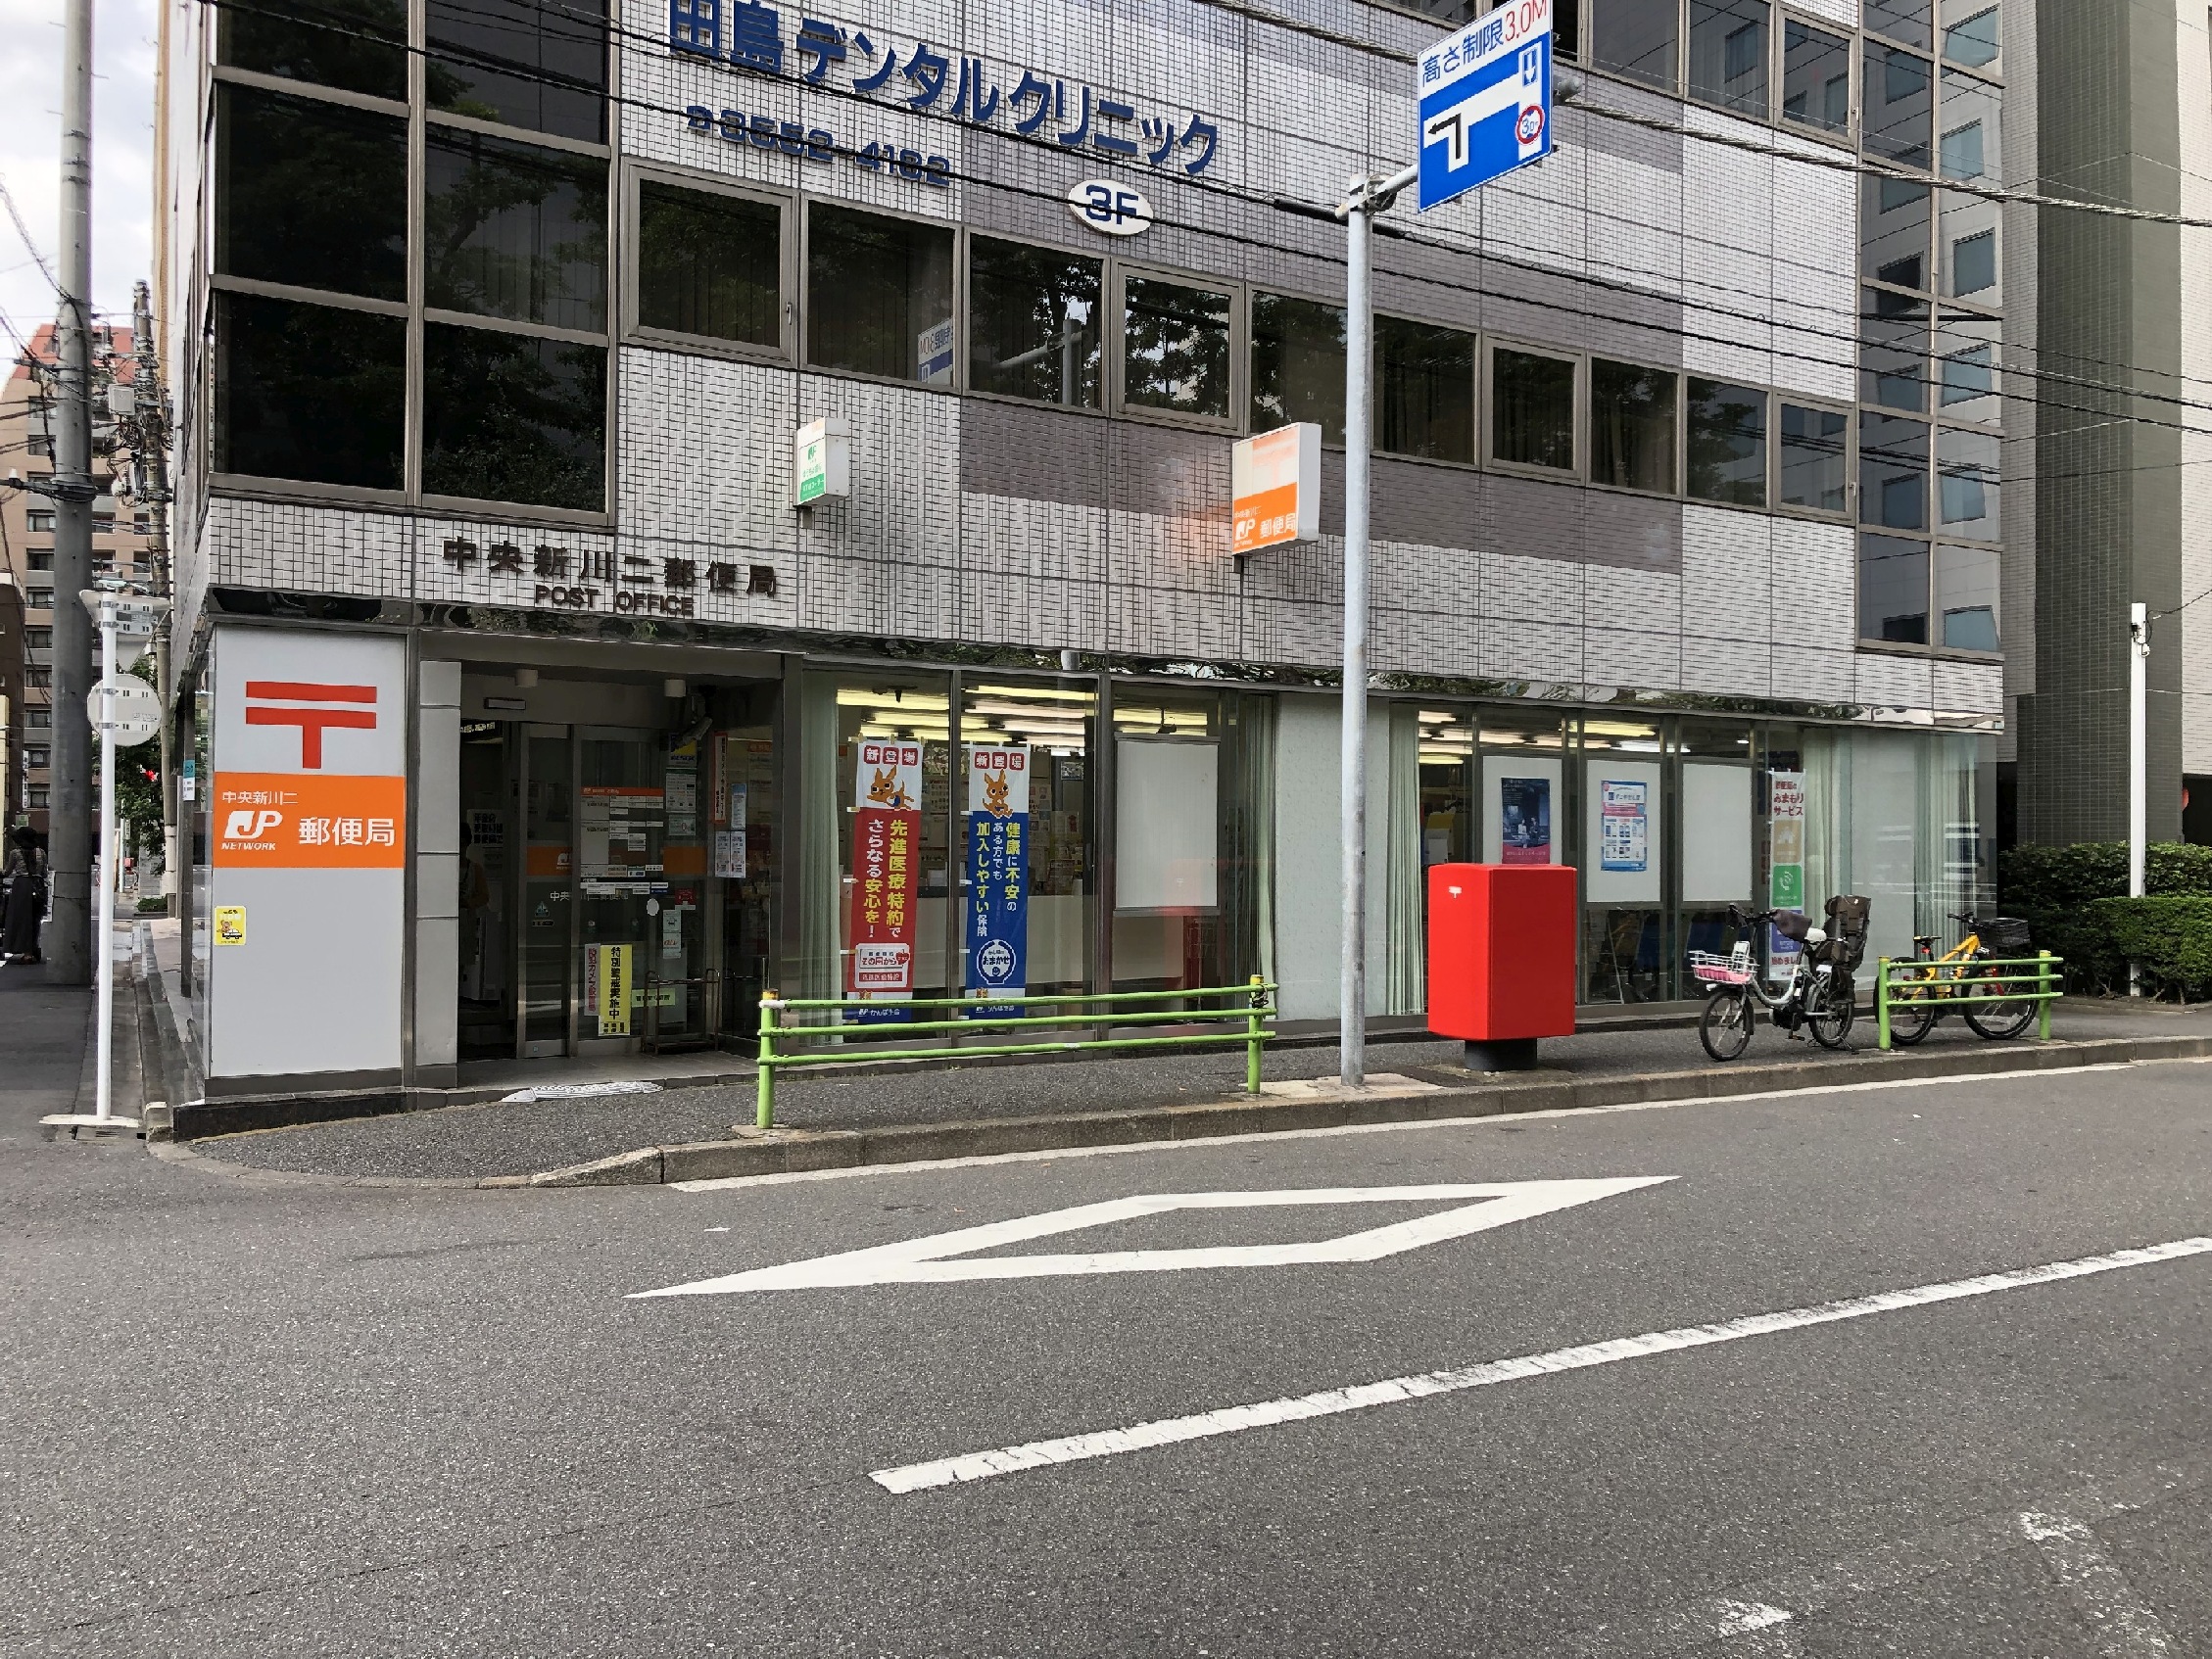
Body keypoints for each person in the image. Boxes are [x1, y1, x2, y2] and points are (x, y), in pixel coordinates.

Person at [1, 825, 48, 965]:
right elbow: (44, 873)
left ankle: (26, 952)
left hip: (21, 886)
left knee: (21, 919)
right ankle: (32, 950)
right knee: (35, 919)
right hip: (38, 886)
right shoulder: (41, 853)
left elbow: (6, 872)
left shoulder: (15, 853)